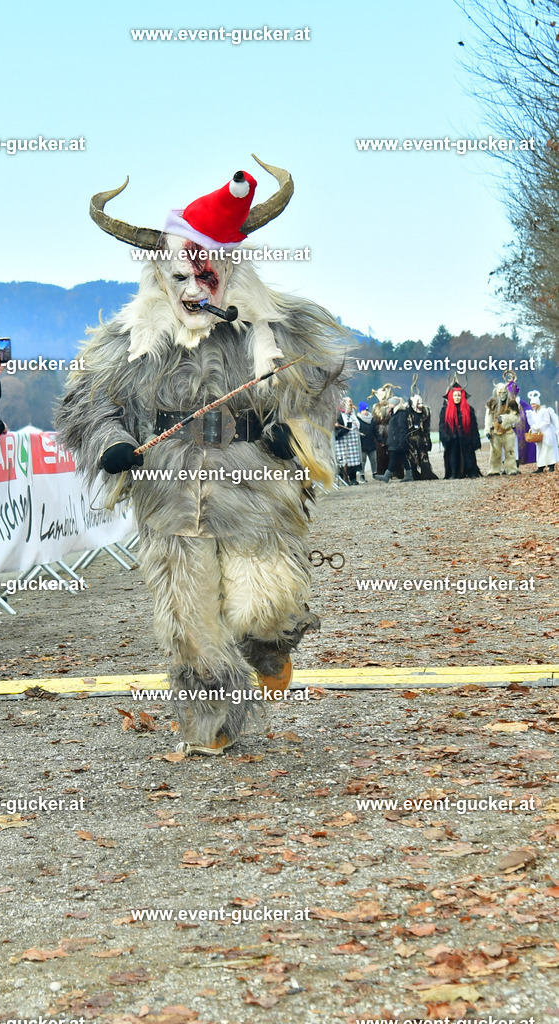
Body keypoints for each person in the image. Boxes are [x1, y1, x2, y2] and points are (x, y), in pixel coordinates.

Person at [56, 159, 346, 756]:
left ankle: (269, 644)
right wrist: (111, 441)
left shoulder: (273, 329)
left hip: (252, 488)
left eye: (206, 272)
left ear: (227, 268)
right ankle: (211, 719)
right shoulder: (126, 343)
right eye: (181, 272)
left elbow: (319, 389)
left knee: (263, 602)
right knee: (187, 622)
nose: (193, 285)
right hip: (168, 495)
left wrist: (283, 405)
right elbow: (84, 407)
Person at [439, 380, 482, 478]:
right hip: (452, 439)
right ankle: (453, 473)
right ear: (451, 397)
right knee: (452, 456)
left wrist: (475, 439)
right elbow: (442, 425)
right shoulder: (445, 410)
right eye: (455, 396)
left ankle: (471, 472)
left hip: (465, 437)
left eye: (459, 396)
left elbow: (474, 426)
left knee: (468, 455)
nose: (457, 398)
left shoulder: (469, 409)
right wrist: (446, 437)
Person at [484, 381, 520, 476]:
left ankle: (511, 469)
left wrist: (504, 418)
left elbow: (516, 417)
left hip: (508, 431)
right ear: (496, 392)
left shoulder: (511, 402)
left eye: (504, 392)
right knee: (495, 451)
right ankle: (494, 469)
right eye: (500, 393)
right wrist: (488, 429)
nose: (502, 395)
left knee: (510, 451)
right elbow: (488, 417)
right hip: (495, 431)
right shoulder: (491, 403)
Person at [404, 392, 438, 480]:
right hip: (411, 439)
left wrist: (428, 438)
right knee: (412, 458)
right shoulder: (408, 414)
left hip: (422, 438)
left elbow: (427, 428)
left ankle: (426, 473)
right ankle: (414, 474)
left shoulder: (425, 413)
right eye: (418, 403)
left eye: (421, 403)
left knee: (424, 457)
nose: (420, 405)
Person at [379, 396, 409, 482]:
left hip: (397, 440)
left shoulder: (400, 413)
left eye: (390, 403)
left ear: (394, 404)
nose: (389, 405)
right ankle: (409, 474)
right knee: (402, 457)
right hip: (394, 440)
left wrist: (402, 442)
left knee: (393, 457)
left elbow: (402, 428)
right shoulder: (394, 413)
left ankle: (386, 476)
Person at [527, 390, 558, 473]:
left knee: (548, 449)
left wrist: (539, 426)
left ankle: (551, 466)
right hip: (539, 434)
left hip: (547, 432)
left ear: (537, 403)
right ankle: (540, 466)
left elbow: (547, 421)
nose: (532, 406)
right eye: (531, 404)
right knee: (540, 449)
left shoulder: (544, 411)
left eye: (534, 404)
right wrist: (533, 427)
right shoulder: (533, 413)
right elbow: (533, 422)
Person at [334, 397, 362, 484]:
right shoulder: (338, 415)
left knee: (353, 461)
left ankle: (353, 478)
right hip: (343, 442)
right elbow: (336, 433)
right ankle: (345, 478)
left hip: (352, 442)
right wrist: (346, 429)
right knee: (344, 461)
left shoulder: (353, 414)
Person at [356, 400, 380, 480]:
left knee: (373, 460)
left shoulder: (371, 420)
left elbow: (375, 432)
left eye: (366, 410)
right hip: (362, 445)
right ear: (360, 411)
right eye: (363, 410)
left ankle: (375, 473)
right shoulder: (357, 420)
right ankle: (362, 475)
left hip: (371, 444)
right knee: (362, 461)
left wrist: (380, 440)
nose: (365, 412)